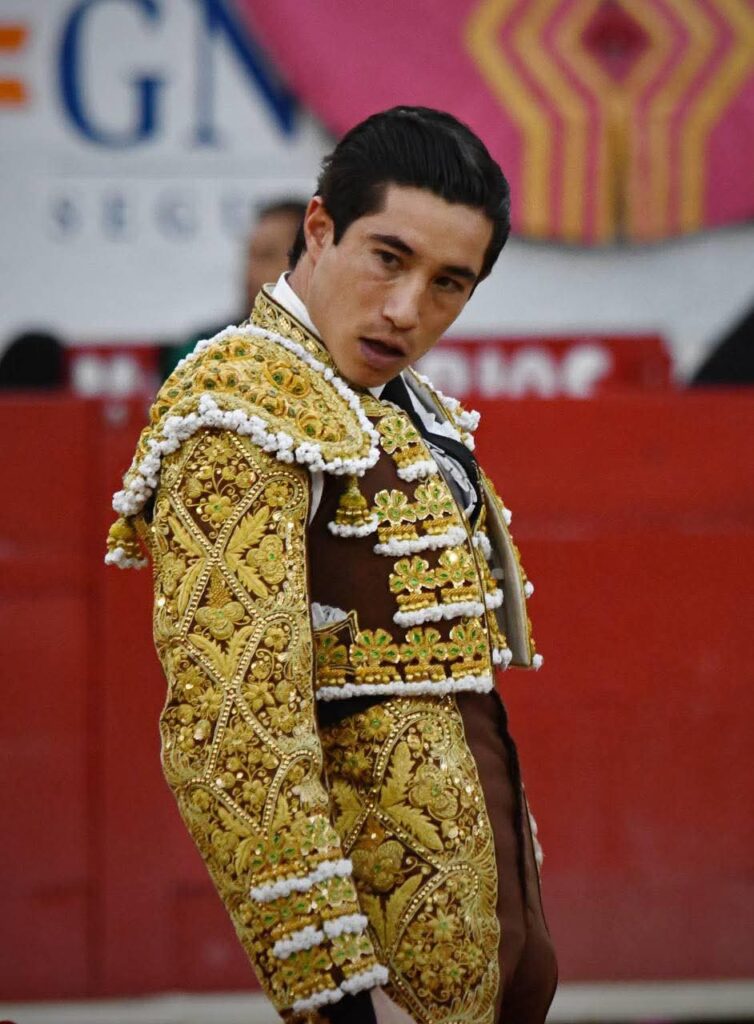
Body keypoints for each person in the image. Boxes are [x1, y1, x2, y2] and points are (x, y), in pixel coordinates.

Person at [106, 106, 557, 1024]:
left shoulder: (400, 403)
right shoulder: (241, 408)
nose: (407, 309)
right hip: (377, 978)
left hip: (476, 946)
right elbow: (238, 737)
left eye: (448, 284)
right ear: (319, 228)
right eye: (388, 258)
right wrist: (335, 993)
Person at [160, 198, 307, 377]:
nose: (250, 271)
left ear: (309, 262)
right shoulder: (204, 350)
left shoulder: (336, 352)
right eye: (249, 256)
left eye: (266, 256)